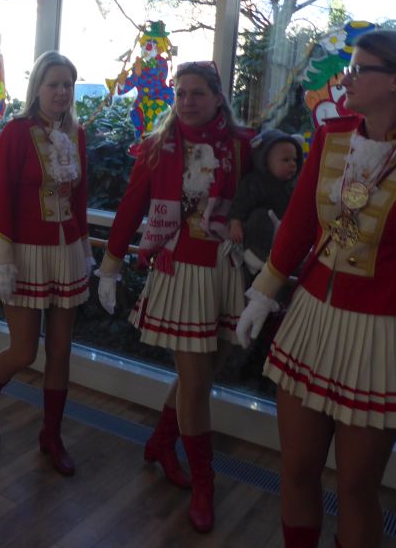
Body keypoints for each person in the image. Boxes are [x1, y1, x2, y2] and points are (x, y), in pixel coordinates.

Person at [235, 29, 396, 548]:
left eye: (358, 69)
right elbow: (299, 223)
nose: (346, 78)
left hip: (383, 335)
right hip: (311, 321)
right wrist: (264, 291)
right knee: (296, 470)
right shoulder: (333, 135)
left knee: (355, 488)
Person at [96, 60, 253, 532]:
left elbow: (268, 196)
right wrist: (111, 264)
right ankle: (205, 484)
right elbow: (131, 207)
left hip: (225, 269)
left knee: (200, 378)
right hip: (179, 268)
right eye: (180, 93)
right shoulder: (157, 147)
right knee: (197, 383)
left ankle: (162, 443)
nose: (186, 101)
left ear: (218, 97)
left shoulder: (244, 146)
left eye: (197, 93)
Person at [0, 51, 92, 477]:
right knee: (24, 351)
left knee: (61, 351)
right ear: (37, 88)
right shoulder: (15, 132)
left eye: (67, 85)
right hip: (23, 253)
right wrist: (1, 256)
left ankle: (51, 435)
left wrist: (85, 247)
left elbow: (80, 198)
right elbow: (1, 197)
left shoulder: (77, 134)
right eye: (53, 84)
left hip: (67, 250)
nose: (61, 92)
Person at [228, 129, 303, 277]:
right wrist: (235, 222)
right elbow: (240, 203)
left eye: (294, 160)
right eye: (285, 160)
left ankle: (292, 262)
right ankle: (257, 255)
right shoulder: (256, 182)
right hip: (259, 234)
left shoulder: (294, 184)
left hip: (282, 231)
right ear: (266, 162)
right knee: (259, 216)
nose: (292, 164)